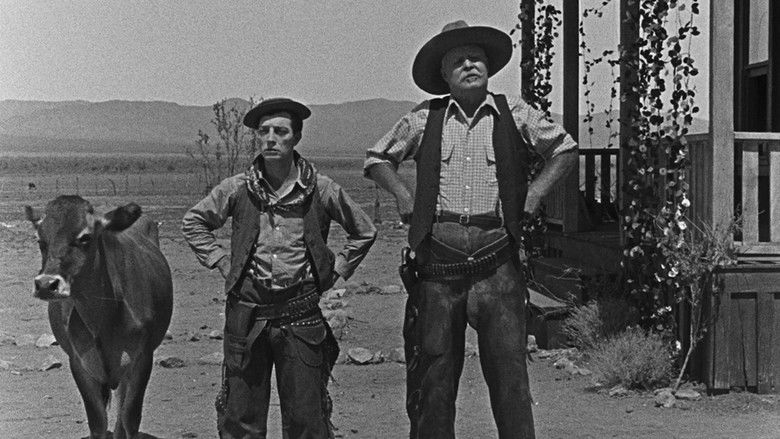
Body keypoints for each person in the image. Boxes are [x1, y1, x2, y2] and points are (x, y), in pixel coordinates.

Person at [364, 21, 578, 439]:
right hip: (438, 267)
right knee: (434, 376)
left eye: (476, 58)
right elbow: (376, 158)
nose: (469, 65)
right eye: (458, 61)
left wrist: (536, 192)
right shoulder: (425, 117)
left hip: (497, 263)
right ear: (444, 74)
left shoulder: (515, 113)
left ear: (489, 67)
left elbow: (564, 148)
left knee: (510, 375)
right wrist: (403, 195)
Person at [183, 97, 377, 439]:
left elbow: (364, 230)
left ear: (296, 138)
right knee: (240, 420)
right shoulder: (237, 188)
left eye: (281, 131)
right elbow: (194, 221)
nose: (271, 138)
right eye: (264, 131)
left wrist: (336, 271)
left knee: (306, 421)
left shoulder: (321, 188)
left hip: (300, 317)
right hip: (247, 315)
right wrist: (221, 261)